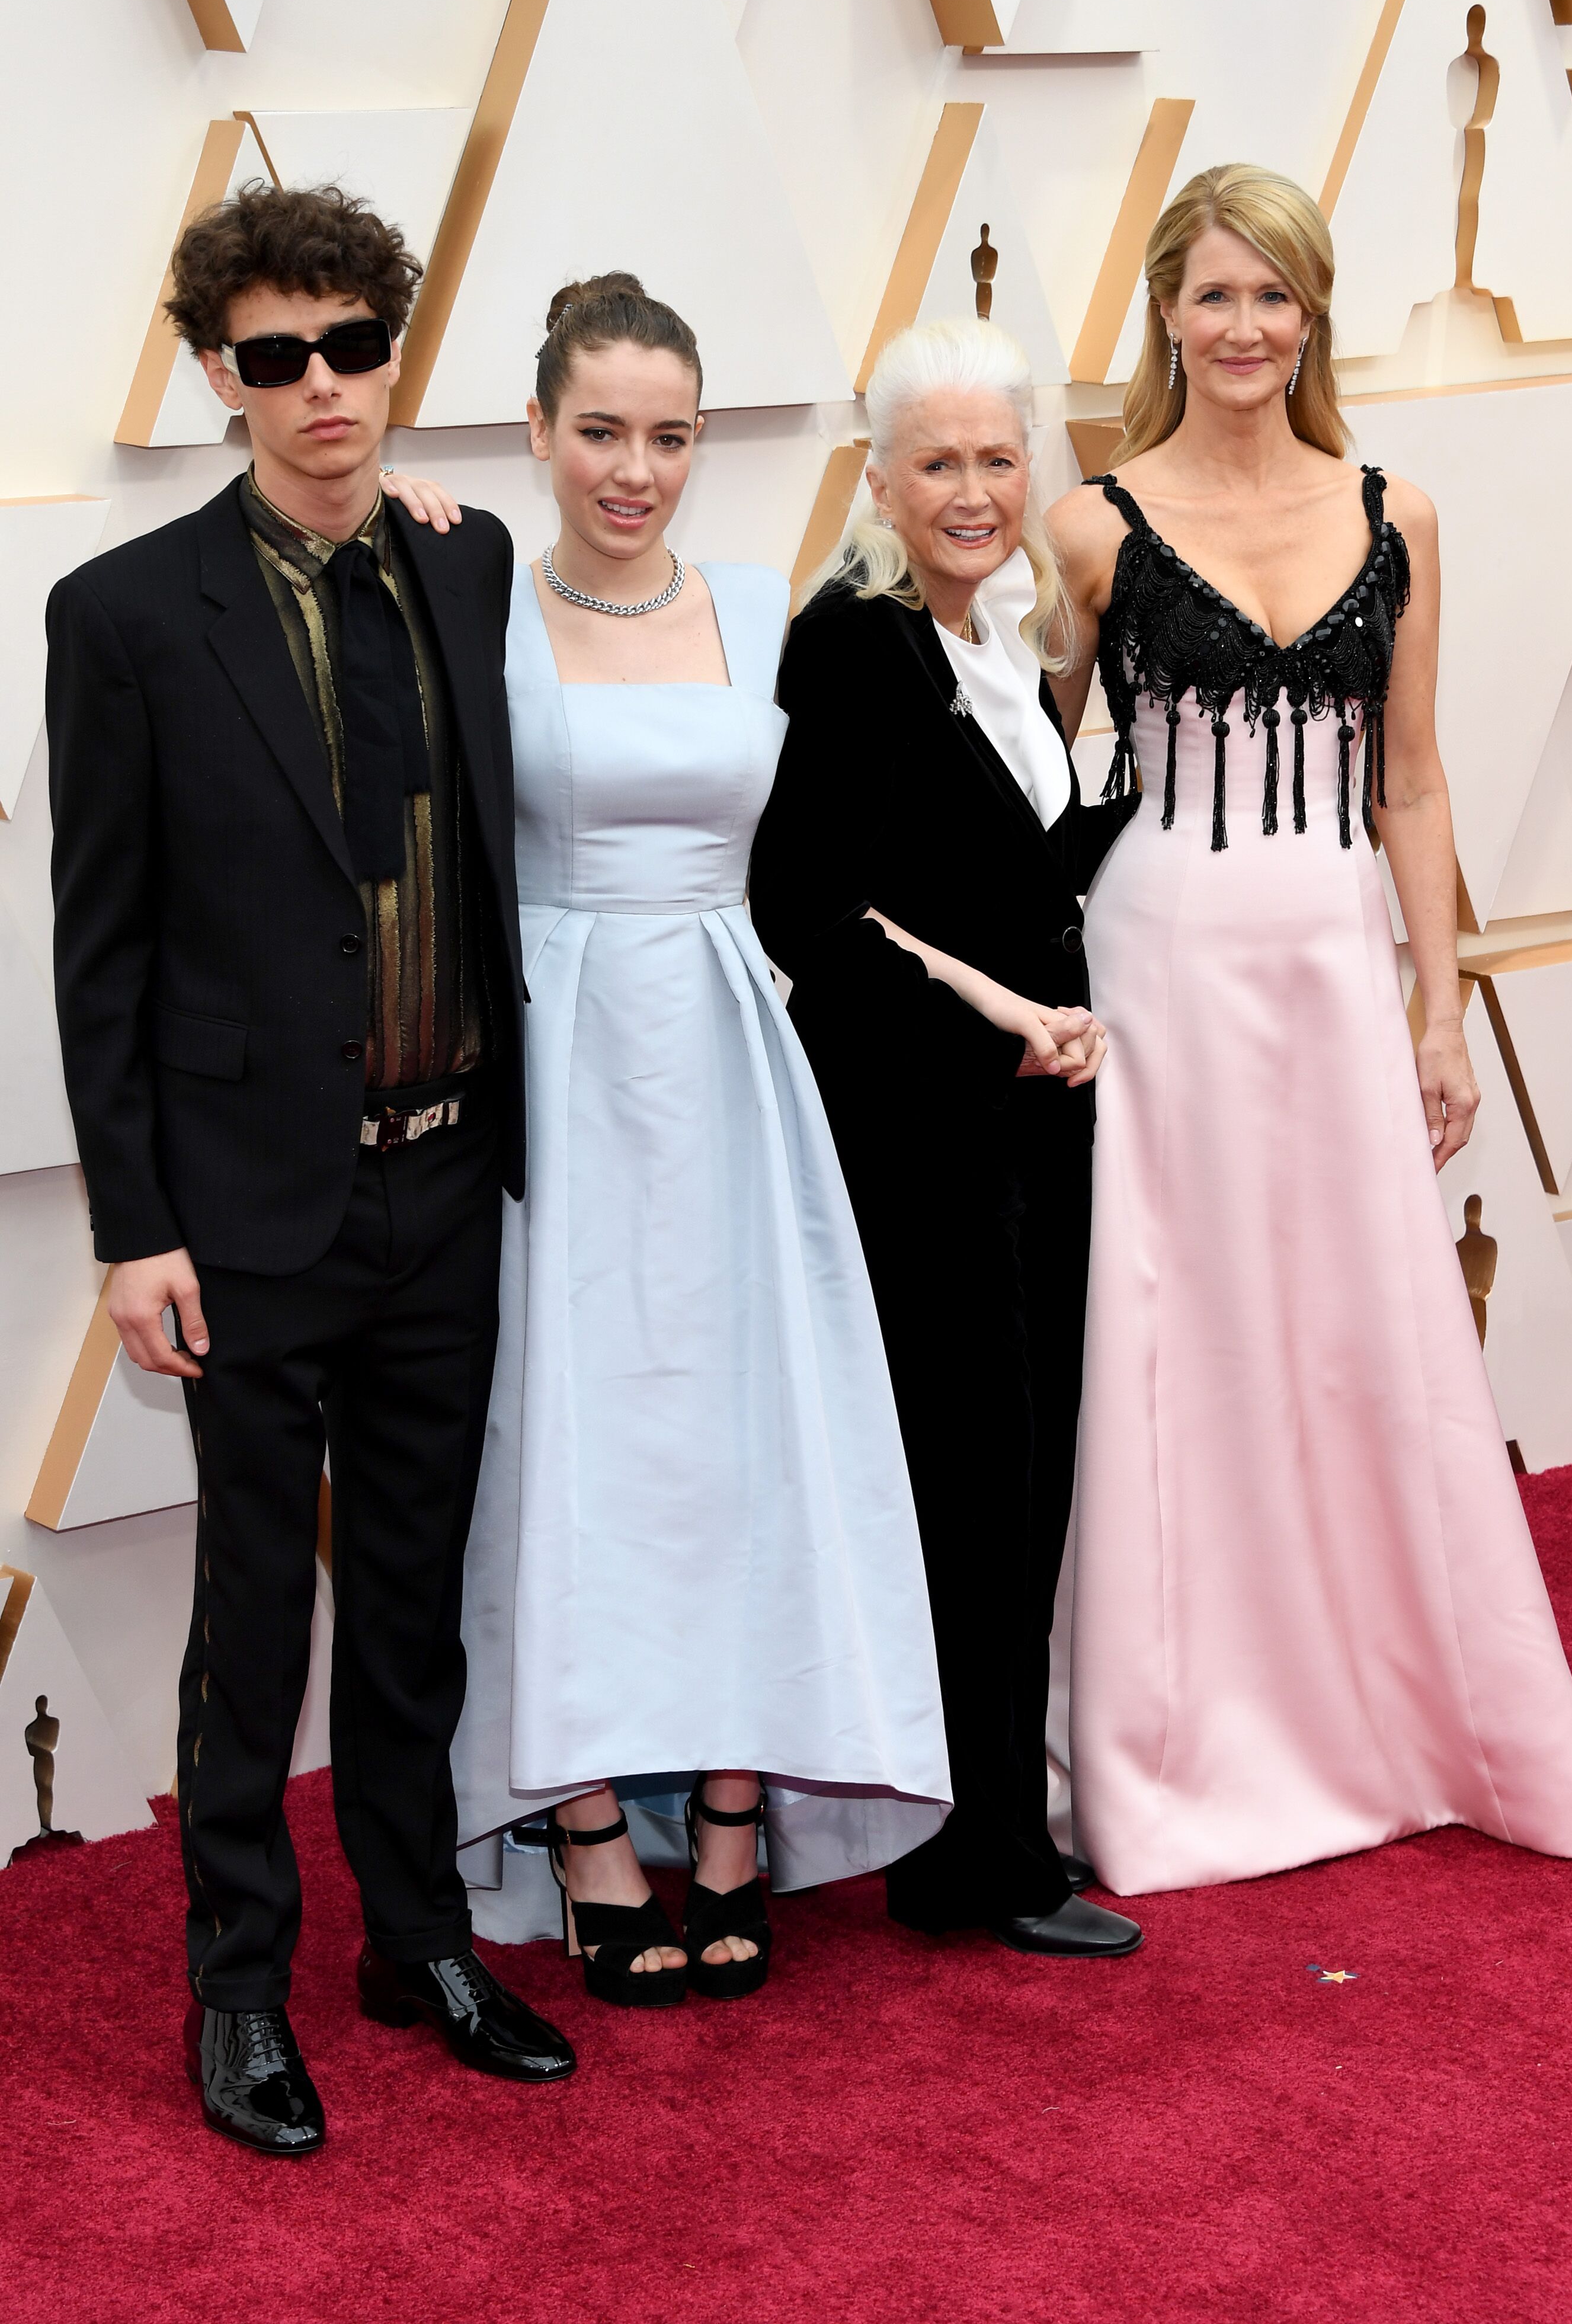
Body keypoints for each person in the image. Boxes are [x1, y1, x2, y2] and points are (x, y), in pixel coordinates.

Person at [45, 183, 575, 2157]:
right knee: (256, 1615)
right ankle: (241, 1988)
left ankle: (416, 1939)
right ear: (218, 376)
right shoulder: (120, 618)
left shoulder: (468, 559)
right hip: (249, 1212)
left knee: (421, 1596)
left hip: (448, 1178)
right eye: (277, 357)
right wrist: (134, 1229)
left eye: (355, 347)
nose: (323, 388)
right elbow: (97, 942)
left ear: (391, 355)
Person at [1046, 162, 1572, 1896]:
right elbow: (1028, 767)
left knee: (1357, 1334)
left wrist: (1437, 1009)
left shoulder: (1399, 511)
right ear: (1163, 310)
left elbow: (1417, 778)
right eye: (1213, 294)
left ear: (1311, 317)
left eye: (1273, 297)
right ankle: (1170, 1745)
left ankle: (1398, 1719)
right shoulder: (1088, 525)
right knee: (1175, 1336)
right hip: (1154, 961)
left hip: (1328, 960)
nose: (1242, 328)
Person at [388, 273, 951, 2008]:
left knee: (730, 1430)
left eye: (670, 436)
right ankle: (574, 1822)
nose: (635, 469)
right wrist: (412, 515)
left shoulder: (765, 598)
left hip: (721, 1047)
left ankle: (729, 1802)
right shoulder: (467, 595)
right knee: (555, 1437)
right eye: (601, 432)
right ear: (540, 430)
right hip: (552, 1056)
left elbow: (829, 859)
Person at [747, 318, 1144, 1958]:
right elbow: (806, 907)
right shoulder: (852, 646)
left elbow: (1010, 866)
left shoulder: (990, 638)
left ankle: (977, 1829)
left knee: (1023, 1468)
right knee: (977, 1481)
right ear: (876, 478)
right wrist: (1001, 1013)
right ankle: (979, 1857)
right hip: (926, 1133)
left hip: (1038, 1120)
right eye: (937, 464)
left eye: (997, 459)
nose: (972, 491)